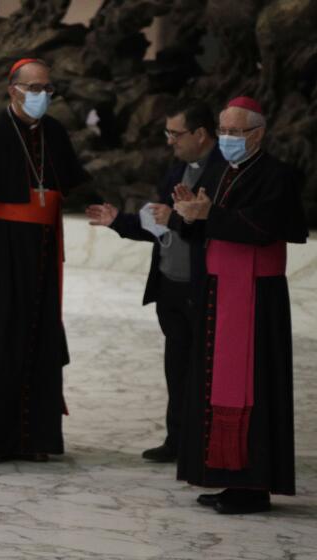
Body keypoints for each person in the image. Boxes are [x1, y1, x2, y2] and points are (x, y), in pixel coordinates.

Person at [0, 58, 89, 464]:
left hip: (41, 252)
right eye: (33, 88)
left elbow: (71, 184)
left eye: (47, 88)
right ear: (13, 90)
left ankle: (33, 439)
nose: (41, 95)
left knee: (37, 341)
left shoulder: (54, 133)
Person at [173, 96, 308, 514]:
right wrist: (187, 216)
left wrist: (207, 215)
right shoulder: (219, 171)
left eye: (236, 132)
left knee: (254, 386)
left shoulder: (277, 175)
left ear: (258, 133)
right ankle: (223, 478)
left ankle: (252, 486)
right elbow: (202, 227)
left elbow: (264, 227)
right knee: (212, 384)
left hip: (256, 298)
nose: (228, 139)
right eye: (224, 131)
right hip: (220, 292)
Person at [85, 98, 226, 463]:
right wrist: (119, 221)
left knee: (206, 370)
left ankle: (205, 442)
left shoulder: (224, 171)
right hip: (170, 284)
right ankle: (176, 439)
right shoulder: (177, 169)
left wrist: (180, 217)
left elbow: (218, 227)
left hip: (205, 284)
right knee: (176, 367)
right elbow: (158, 222)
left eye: (175, 134)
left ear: (200, 133)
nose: (169, 141)